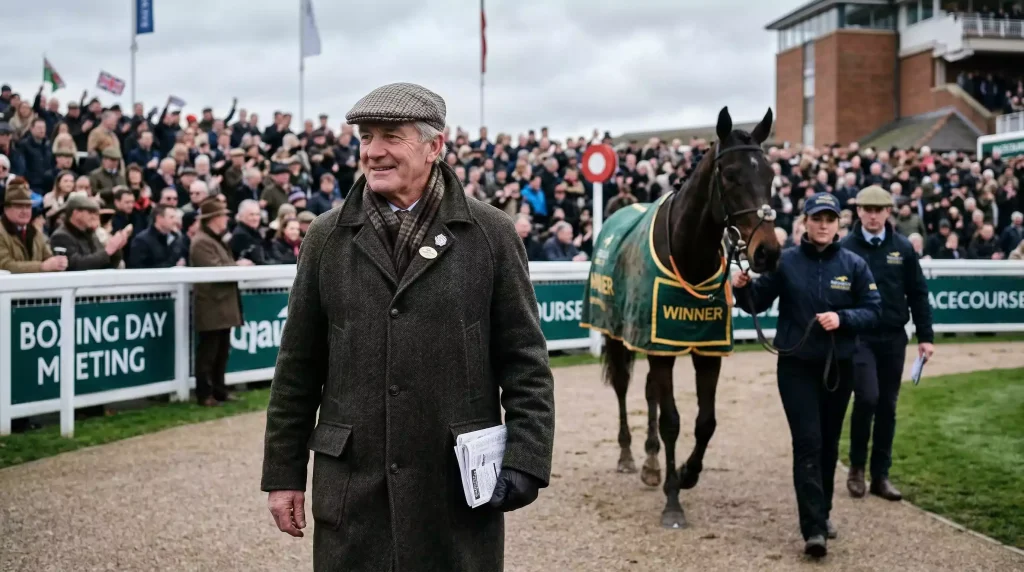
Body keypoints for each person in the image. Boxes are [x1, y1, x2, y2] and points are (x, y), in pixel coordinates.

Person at [260, 82, 555, 571]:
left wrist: (527, 455)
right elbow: (297, 366)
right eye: (365, 137)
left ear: (434, 146)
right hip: (353, 488)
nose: (373, 151)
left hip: (452, 489)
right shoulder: (325, 237)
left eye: (391, 136)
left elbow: (525, 359)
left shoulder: (491, 234)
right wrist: (283, 473)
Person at [732, 192, 881, 558]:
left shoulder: (854, 264)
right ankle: (813, 528)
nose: (824, 225)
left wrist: (843, 319)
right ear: (806, 222)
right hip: (796, 366)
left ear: (839, 224)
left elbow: (874, 310)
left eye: (830, 219)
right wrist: (743, 289)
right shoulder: (787, 262)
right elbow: (757, 302)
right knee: (809, 443)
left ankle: (823, 512)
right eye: (818, 219)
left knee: (829, 444)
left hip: (838, 366)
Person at [841, 185, 933, 502]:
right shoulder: (846, 247)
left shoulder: (903, 247)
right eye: (867, 209)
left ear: (888, 212)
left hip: (894, 336)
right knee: (866, 398)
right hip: (860, 336)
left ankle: (880, 475)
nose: (872, 215)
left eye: (878, 209)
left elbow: (918, 293)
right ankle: (856, 468)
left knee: (887, 407)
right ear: (859, 211)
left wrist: (926, 337)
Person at [189, 198, 252, 406]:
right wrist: (238, 267)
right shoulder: (201, 242)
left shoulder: (215, 239)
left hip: (222, 305)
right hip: (211, 305)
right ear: (213, 219)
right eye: (223, 215)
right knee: (208, 353)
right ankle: (205, 393)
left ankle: (219, 390)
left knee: (221, 352)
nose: (226, 219)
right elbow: (216, 271)